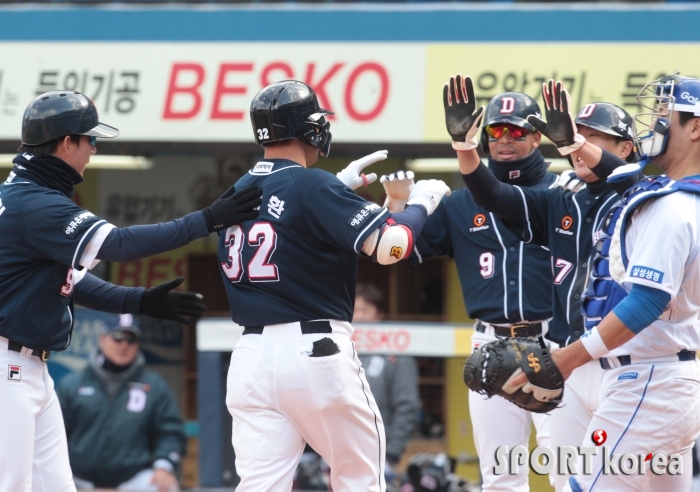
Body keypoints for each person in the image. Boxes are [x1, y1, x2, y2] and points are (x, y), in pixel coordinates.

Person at [0, 91, 261, 492]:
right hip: (8, 368)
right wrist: (206, 220)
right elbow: (119, 244)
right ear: (67, 143)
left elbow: (67, 281)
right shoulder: (33, 203)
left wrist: (137, 300)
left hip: (27, 369)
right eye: (90, 140)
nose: (93, 149)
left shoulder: (23, 192)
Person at [219, 80, 450, 492]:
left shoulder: (236, 189)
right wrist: (422, 204)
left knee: (260, 485)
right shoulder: (310, 183)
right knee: (361, 478)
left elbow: (290, 232)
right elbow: (391, 248)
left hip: (250, 355)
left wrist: (337, 194)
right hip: (313, 352)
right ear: (309, 129)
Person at [443, 75, 644, 490]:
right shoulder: (561, 195)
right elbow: (495, 196)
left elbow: (630, 175)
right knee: (516, 475)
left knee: (596, 477)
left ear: (625, 147)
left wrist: (572, 144)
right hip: (562, 349)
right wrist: (465, 148)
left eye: (596, 138)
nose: (581, 143)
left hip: (622, 357)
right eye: (578, 134)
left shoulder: (639, 194)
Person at [517, 74, 700, 491]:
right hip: (664, 380)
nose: (653, 125)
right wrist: (574, 145)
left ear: (696, 127)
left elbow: (645, 303)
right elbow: (625, 174)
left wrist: (568, 358)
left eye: (664, 115)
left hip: (647, 384)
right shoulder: (679, 196)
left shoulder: (673, 208)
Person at [384, 83, 557, 492]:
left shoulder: (561, 194)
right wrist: (396, 208)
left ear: (536, 137)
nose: (505, 141)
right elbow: (400, 252)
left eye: (516, 131)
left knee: (569, 467)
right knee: (499, 477)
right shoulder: (460, 205)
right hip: (490, 343)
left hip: (555, 340)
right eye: (496, 132)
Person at [56, 315, 186, 491]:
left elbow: (170, 432)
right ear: (102, 340)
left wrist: (164, 465)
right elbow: (53, 434)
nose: (124, 344)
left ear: (138, 344)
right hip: (77, 479)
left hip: (134, 479)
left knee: (166, 487)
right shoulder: (72, 384)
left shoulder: (154, 386)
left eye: (131, 339)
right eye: (117, 338)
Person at [354, 283, 420, 480]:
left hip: (380, 454)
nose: (358, 316)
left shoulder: (397, 355)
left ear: (379, 315)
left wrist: (392, 452)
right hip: (336, 452)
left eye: (365, 310)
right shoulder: (338, 350)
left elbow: (407, 407)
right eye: (354, 310)